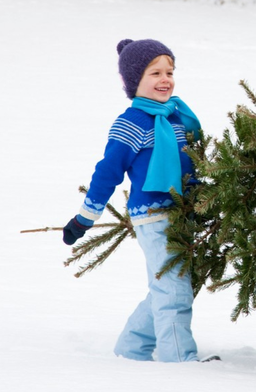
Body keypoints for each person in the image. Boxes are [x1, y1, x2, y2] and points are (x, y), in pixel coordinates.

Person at [62, 39, 205, 363]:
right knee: (173, 288)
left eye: (169, 71)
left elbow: (189, 164)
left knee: (171, 285)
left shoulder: (175, 118)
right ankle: (179, 361)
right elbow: (107, 173)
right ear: (134, 80)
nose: (165, 79)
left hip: (182, 213)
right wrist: (84, 218)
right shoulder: (131, 124)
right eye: (155, 72)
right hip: (153, 217)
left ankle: (131, 348)